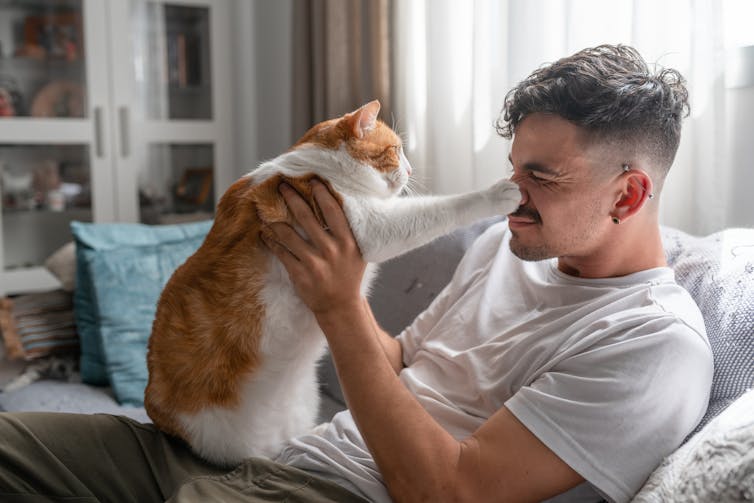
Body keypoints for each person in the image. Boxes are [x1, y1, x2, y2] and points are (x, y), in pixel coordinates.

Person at [0, 44, 712, 503]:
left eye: (541, 175)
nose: (513, 193)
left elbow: (444, 490)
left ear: (628, 194)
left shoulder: (652, 343)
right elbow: (400, 360)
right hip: (266, 451)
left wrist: (340, 304)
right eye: (513, 166)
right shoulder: (508, 246)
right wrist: (320, 265)